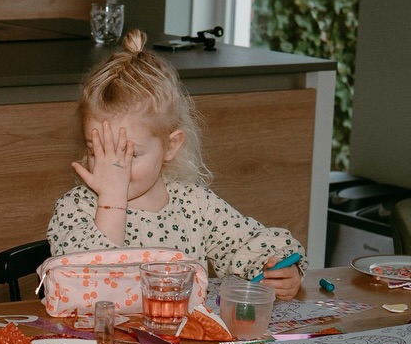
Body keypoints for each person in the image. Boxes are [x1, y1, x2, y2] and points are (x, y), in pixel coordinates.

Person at [46, 29, 305, 299]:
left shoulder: (195, 206)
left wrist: (281, 271)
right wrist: (111, 200)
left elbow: (253, 244)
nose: (113, 169)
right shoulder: (76, 209)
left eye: (130, 154)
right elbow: (84, 283)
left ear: (170, 146)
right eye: (97, 150)